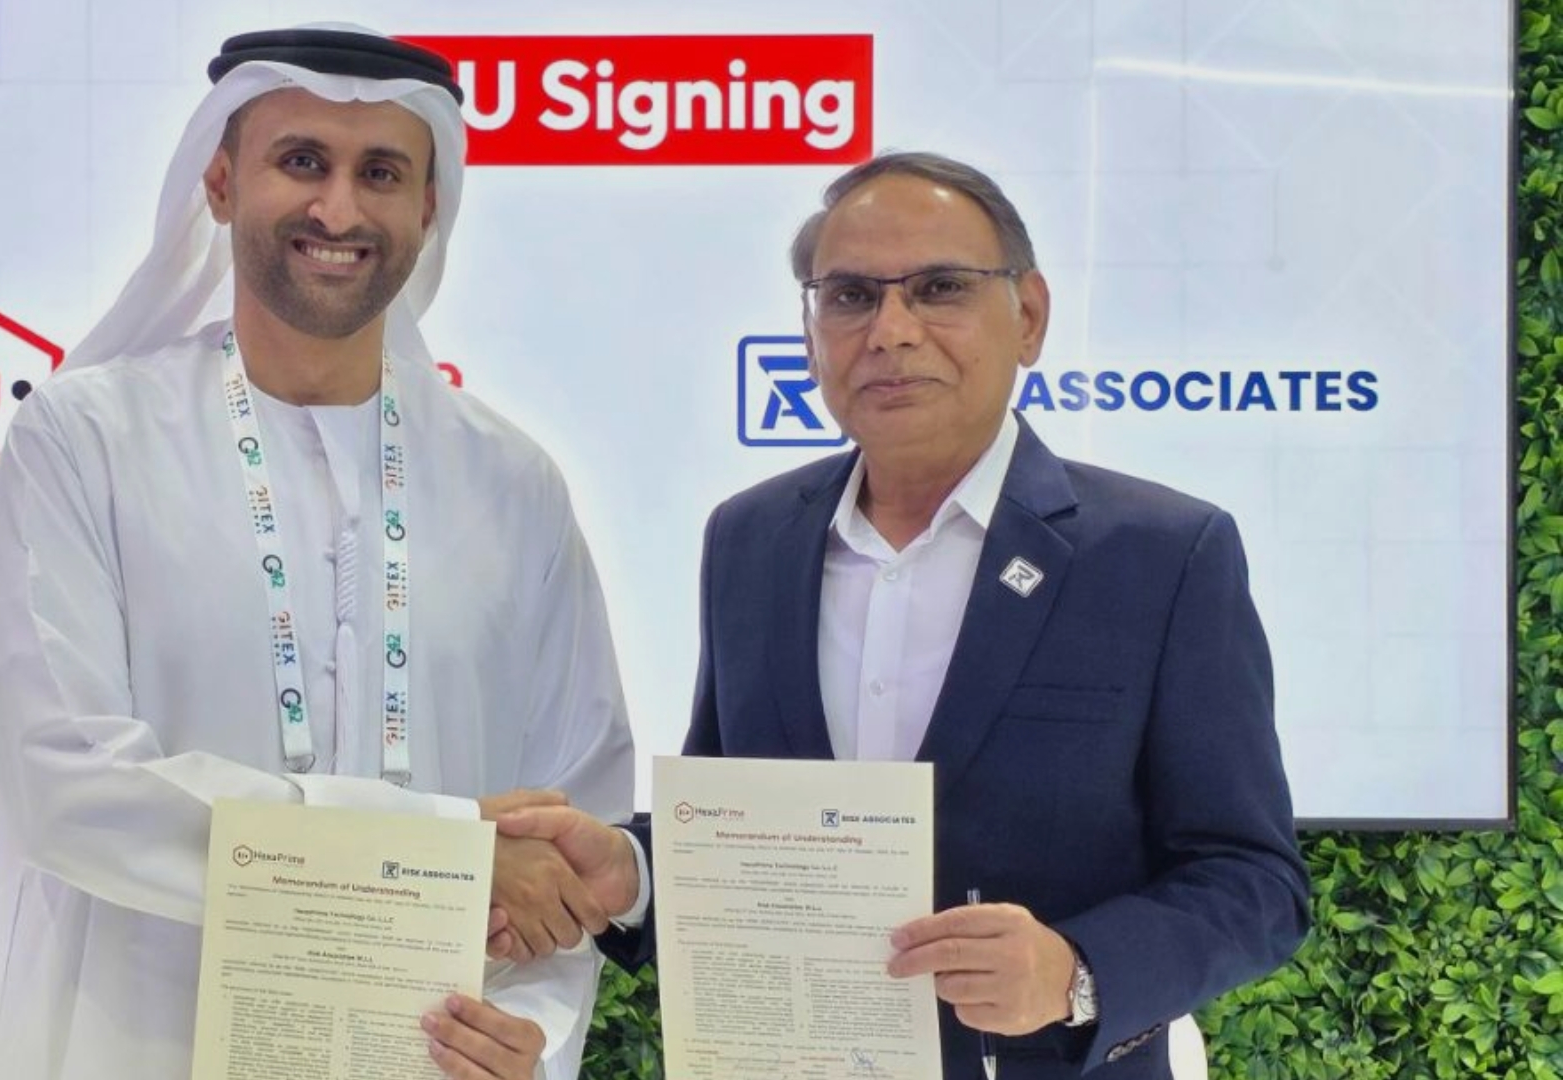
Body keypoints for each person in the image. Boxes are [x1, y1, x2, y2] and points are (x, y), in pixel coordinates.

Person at [496, 151, 1310, 1078]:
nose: (890, 330)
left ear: (1029, 316)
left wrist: (1076, 972)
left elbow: (1254, 884)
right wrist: (635, 874)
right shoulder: (751, 540)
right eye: (848, 296)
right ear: (810, 330)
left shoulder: (1164, 554)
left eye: (940, 288)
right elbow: (745, 824)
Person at [0, 26, 633, 1080]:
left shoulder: (512, 480)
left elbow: (567, 814)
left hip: (426, 1056)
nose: (339, 210)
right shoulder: (85, 440)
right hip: (138, 1046)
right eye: (301, 160)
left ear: (429, 208)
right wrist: (438, 846)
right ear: (219, 183)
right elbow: (68, 786)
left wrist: (533, 1030)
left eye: (382, 173)